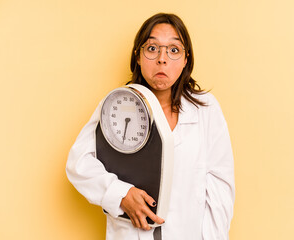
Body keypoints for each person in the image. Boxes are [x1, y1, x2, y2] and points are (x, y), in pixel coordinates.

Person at [66, 13, 235, 240]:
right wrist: (120, 194)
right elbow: (79, 164)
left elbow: (220, 189)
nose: (162, 59)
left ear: (186, 59)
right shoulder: (116, 105)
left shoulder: (206, 109)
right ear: (138, 56)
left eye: (173, 50)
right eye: (152, 48)